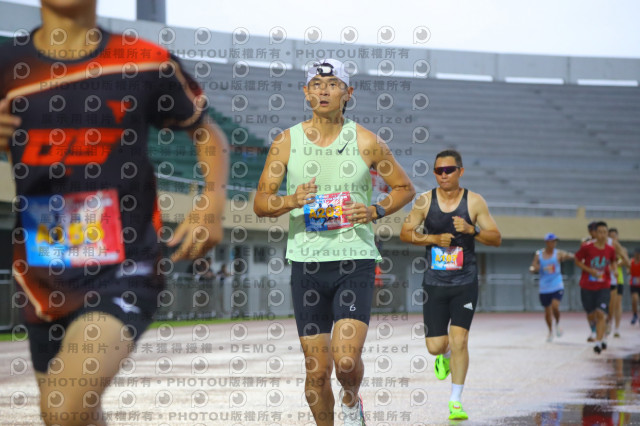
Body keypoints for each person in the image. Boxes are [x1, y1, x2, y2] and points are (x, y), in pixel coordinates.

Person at [0, 1, 229, 424]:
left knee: (64, 408)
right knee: (71, 416)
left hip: (125, 266)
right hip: (41, 273)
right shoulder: (8, 64)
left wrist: (211, 203)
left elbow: (206, 131)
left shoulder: (145, 60)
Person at [254, 59, 414, 425]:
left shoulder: (366, 141)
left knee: (345, 361)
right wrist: (291, 201)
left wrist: (375, 210)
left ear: (348, 92)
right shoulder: (286, 142)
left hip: (353, 260)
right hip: (307, 264)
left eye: (332, 83)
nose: (323, 90)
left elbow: (405, 188)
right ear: (305, 92)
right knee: (316, 371)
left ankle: (351, 401)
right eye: (316, 84)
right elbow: (261, 203)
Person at [399, 149, 502, 421]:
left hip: (464, 282)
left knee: (460, 340)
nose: (443, 175)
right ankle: (442, 355)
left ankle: (455, 400)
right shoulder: (425, 201)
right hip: (435, 283)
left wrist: (472, 231)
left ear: (460, 171)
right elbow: (405, 233)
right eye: (438, 171)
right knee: (435, 346)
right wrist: (432, 239)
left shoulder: (474, 202)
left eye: (449, 170)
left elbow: (496, 238)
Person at [574, 222, 616, 354]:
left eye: (605, 232)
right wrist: (590, 270)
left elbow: (613, 261)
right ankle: (598, 332)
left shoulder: (610, 249)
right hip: (587, 286)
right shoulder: (587, 247)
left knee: (601, 313)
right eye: (600, 232)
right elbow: (577, 260)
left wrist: (614, 270)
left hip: (603, 286)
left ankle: (599, 342)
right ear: (595, 233)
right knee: (591, 314)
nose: (602, 235)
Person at [528, 233, 574, 342]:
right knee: (547, 311)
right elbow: (533, 266)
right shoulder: (539, 254)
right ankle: (550, 332)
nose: (553, 243)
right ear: (547, 242)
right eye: (551, 241)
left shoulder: (558, 253)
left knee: (555, 306)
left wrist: (572, 257)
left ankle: (557, 324)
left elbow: (571, 256)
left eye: (555, 241)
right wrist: (534, 269)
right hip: (544, 287)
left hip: (556, 284)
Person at [608, 228, 628, 337]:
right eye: (610, 236)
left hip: (618, 279)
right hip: (606, 279)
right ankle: (607, 324)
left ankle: (617, 328)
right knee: (608, 304)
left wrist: (615, 264)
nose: (612, 238)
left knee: (617, 304)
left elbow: (626, 261)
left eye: (614, 236)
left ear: (617, 237)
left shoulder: (621, 249)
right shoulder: (605, 248)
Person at [629, 248, 640, 325]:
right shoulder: (631, 262)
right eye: (636, 255)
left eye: (638, 255)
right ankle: (635, 314)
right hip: (634, 284)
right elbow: (628, 271)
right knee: (634, 299)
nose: (637, 256)